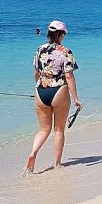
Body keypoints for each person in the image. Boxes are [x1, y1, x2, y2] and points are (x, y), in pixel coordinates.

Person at [27, 20, 81, 173]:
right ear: (62, 34)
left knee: (44, 129)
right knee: (59, 130)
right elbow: (69, 76)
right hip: (59, 91)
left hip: (41, 91)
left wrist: (39, 87)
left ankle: (33, 153)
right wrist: (76, 98)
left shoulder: (40, 49)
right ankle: (57, 164)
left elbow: (36, 73)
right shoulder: (66, 51)